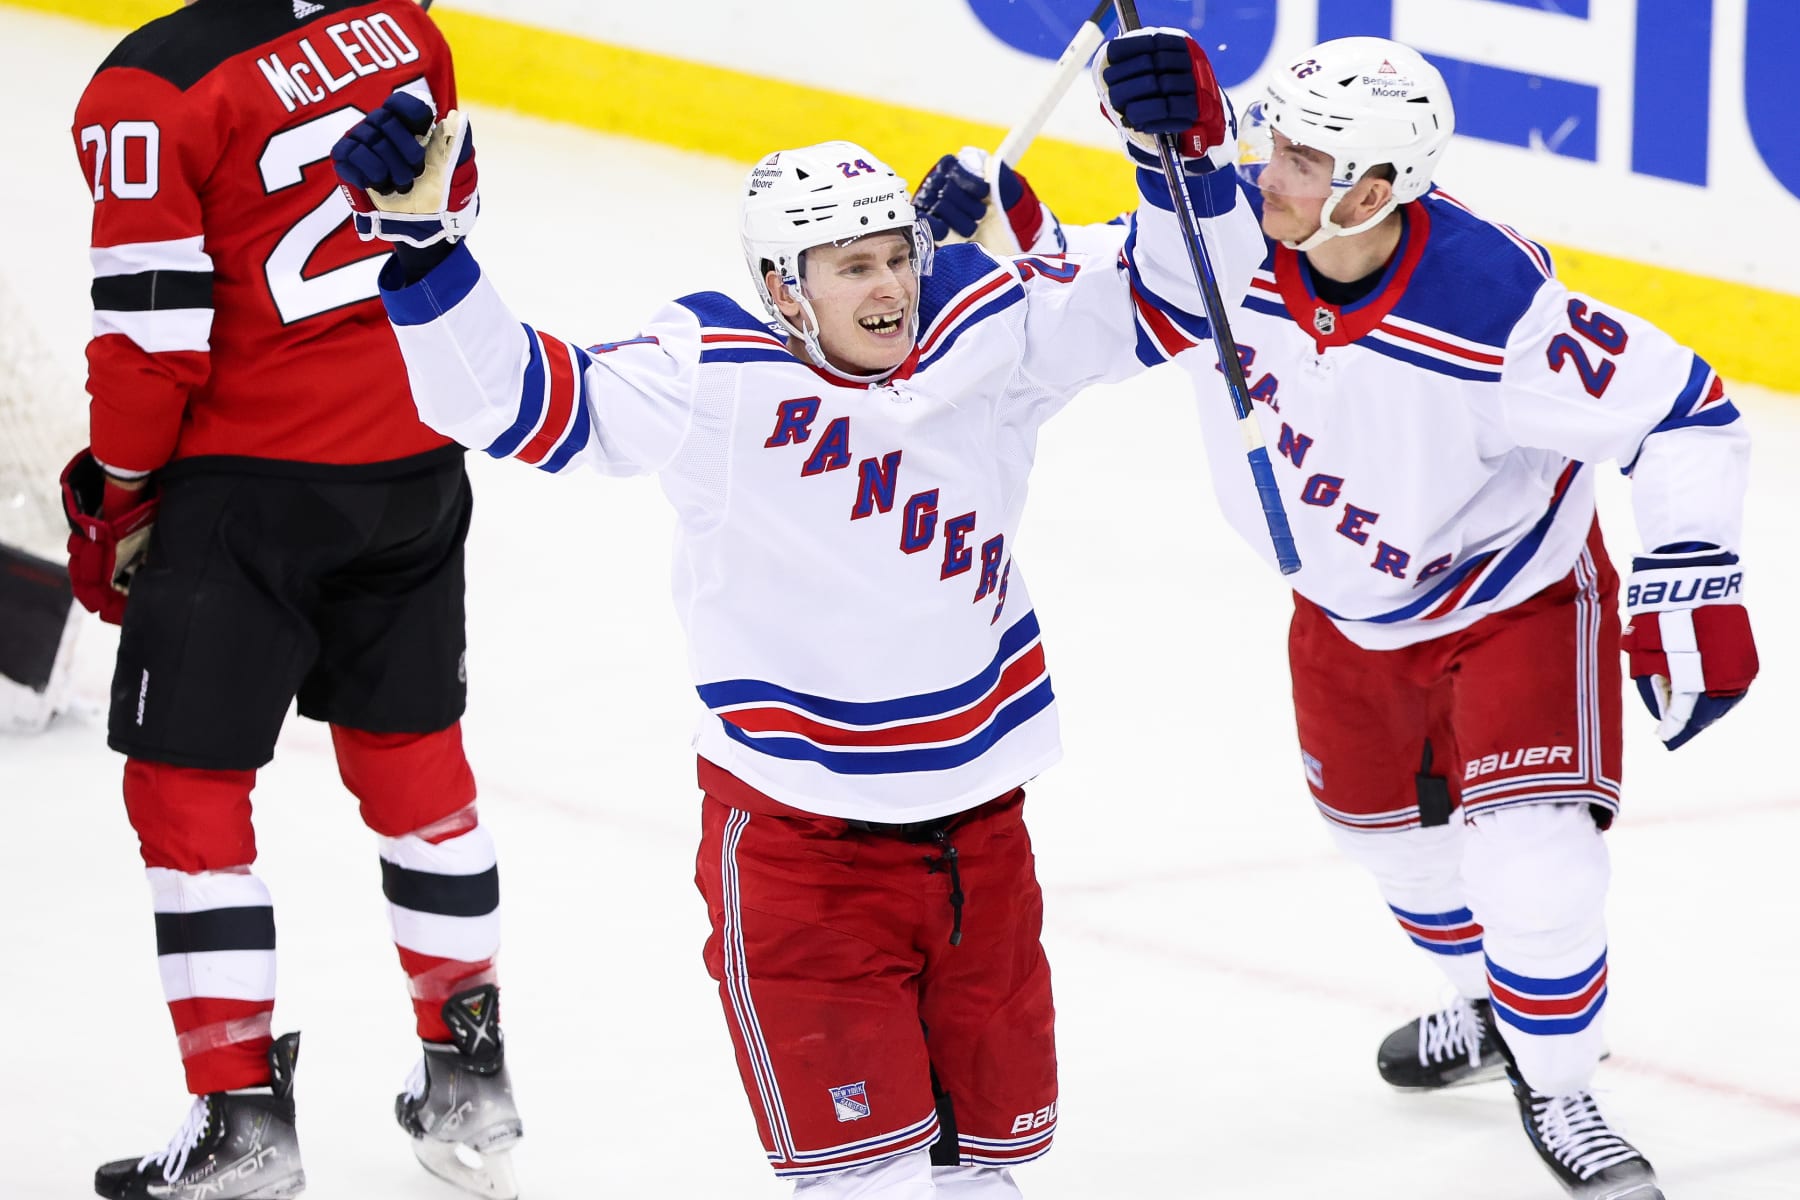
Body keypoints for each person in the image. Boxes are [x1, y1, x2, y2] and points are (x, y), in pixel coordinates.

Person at [329, 26, 1261, 1198]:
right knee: (859, 1183)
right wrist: (424, 252)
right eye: (850, 268)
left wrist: (1184, 159)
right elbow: (511, 401)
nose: (887, 288)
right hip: (801, 851)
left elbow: (1197, 293)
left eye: (895, 256)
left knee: (991, 1173)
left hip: (982, 838)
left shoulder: (987, 328)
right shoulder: (712, 370)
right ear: (782, 288)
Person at [921, 34, 1756, 1200]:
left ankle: (1560, 1082)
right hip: (1344, 607)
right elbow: (1083, 324)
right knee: (1383, 837)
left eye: (1304, 162)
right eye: (1270, 145)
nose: (1270, 175)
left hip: (1509, 598)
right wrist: (975, 250)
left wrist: (1690, 577)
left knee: (1535, 864)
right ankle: (1486, 1007)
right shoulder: (1232, 252)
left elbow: (1687, 413)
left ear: (1375, 190)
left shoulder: (1493, 302)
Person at [63, 2, 522, 1196]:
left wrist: (117, 494)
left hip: (254, 487)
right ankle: (470, 1086)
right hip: (417, 460)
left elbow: (154, 342)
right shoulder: (404, 27)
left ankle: (242, 1125)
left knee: (187, 790)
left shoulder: (149, 86)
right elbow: (449, 216)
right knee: (418, 768)